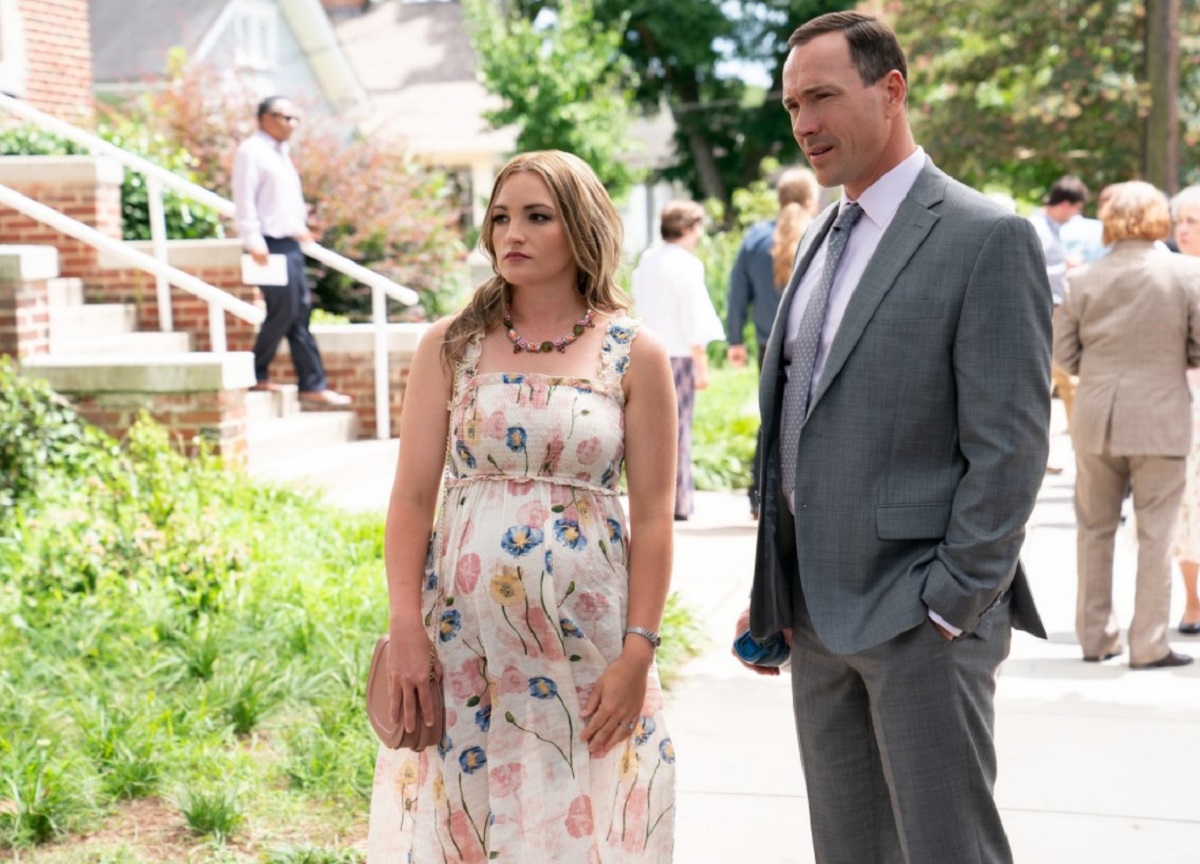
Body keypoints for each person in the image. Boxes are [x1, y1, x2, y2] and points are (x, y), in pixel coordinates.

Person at [735, 12, 1051, 863]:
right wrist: (776, 580)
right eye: (792, 105)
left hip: (921, 620)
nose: (803, 123)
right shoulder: (819, 237)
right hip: (813, 619)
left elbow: (1012, 447)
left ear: (892, 90)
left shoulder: (986, 237)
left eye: (822, 97)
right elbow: (798, 418)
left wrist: (951, 602)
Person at [366, 150, 678, 862]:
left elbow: (655, 519)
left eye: (538, 217)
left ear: (582, 228)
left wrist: (638, 652)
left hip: (589, 645)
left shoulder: (634, 353)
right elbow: (411, 499)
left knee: (582, 826)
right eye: (501, 216)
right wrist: (405, 625)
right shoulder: (450, 346)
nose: (513, 233)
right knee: (469, 827)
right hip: (463, 644)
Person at [1054, 181, 1200, 669]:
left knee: (1094, 530)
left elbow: (1063, 356)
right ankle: (1149, 643)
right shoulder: (1187, 274)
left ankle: (1096, 638)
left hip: (1097, 419)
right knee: (1157, 535)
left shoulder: (1082, 280)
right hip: (1161, 418)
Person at [232, 95, 350, 406]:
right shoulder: (251, 151)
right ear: (265, 118)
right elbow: (244, 200)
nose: (292, 124)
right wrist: (253, 241)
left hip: (290, 243)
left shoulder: (282, 153)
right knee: (284, 312)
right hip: (268, 245)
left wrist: (299, 228)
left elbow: (282, 202)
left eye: (295, 118)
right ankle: (257, 372)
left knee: (299, 313)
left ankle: (310, 383)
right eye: (285, 117)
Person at [726, 167, 819, 518]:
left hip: (769, 345)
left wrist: (735, 339)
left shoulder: (755, 238)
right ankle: (806, 497)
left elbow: (737, 293)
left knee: (772, 416)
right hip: (816, 344)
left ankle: (759, 497)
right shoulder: (822, 232)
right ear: (810, 198)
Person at [631, 200, 725, 521]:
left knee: (647, 432)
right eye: (697, 228)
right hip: (679, 355)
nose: (699, 234)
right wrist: (701, 362)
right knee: (678, 428)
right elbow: (692, 318)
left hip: (644, 352)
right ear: (686, 228)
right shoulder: (687, 264)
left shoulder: (647, 260)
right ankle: (679, 500)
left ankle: (650, 500)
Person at [1030, 175, 1089, 434]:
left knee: (1062, 376)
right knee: (1055, 375)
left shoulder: (1051, 228)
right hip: (1047, 311)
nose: (1076, 215)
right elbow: (1031, 269)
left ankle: (1076, 433)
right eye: (1076, 209)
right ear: (1065, 204)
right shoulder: (1038, 228)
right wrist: (1065, 267)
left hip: (1057, 309)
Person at [1169, 183, 1200, 635]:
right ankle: (1192, 601)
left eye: (1193, 221)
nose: (1184, 229)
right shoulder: (1168, 274)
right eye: (1180, 221)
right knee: (1186, 509)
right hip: (1180, 408)